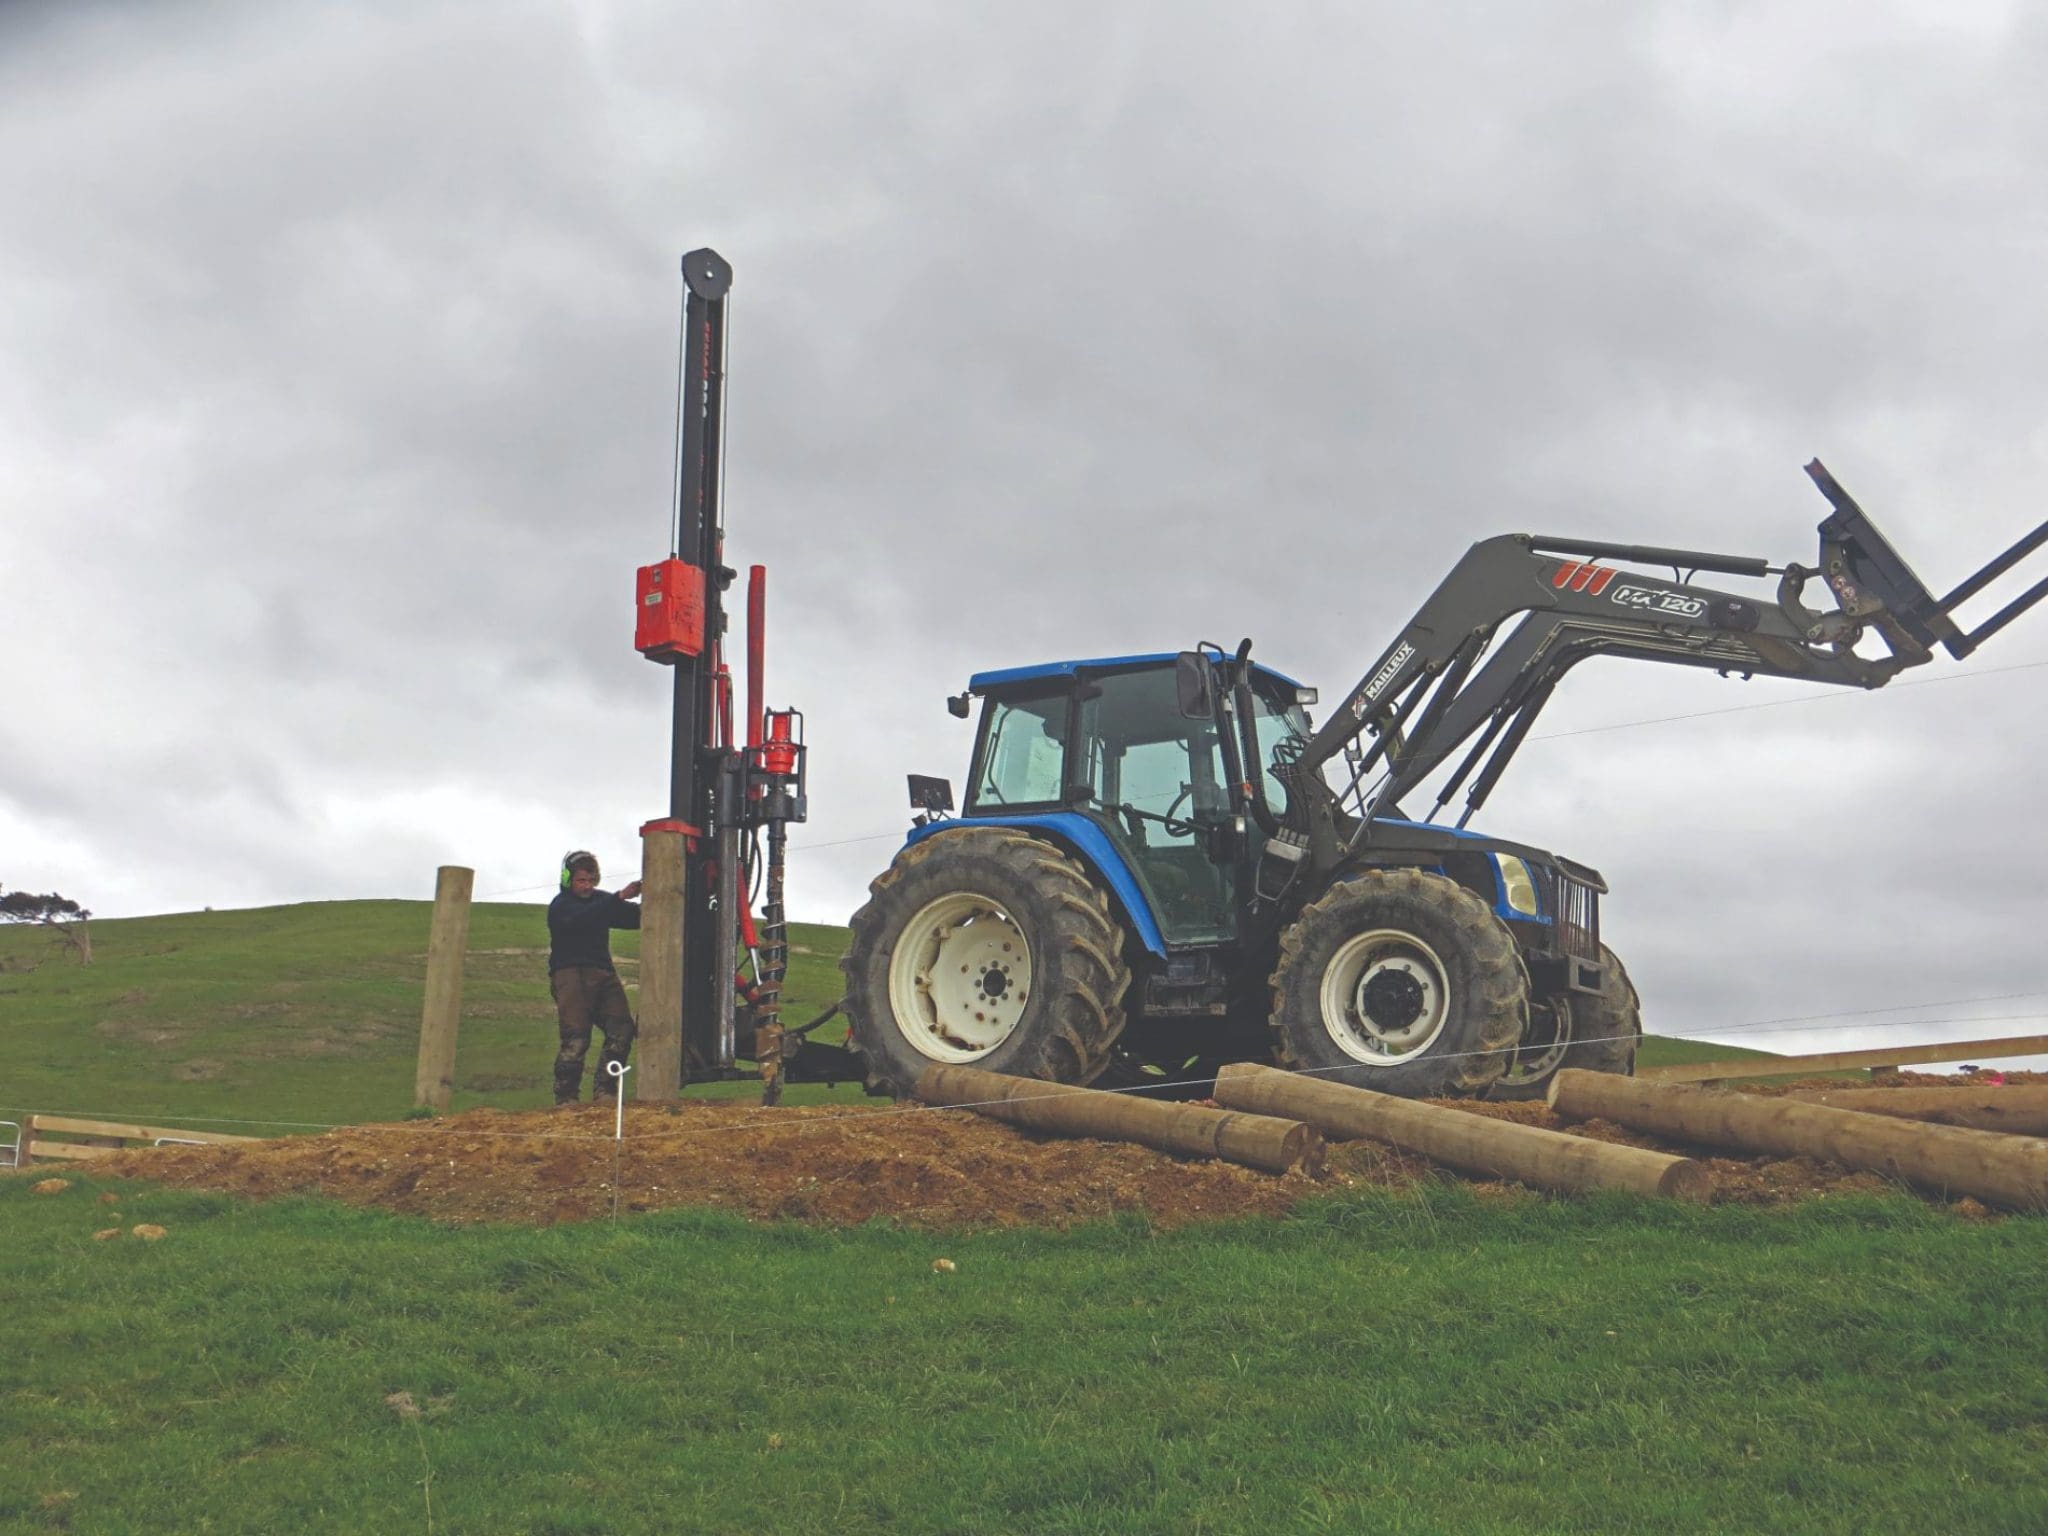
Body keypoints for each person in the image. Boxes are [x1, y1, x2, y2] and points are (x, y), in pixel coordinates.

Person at [546, 850, 643, 1106]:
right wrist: (619, 897)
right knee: (576, 1037)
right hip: (569, 974)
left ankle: (605, 1091)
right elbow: (583, 918)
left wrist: (659, 896)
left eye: (591, 881)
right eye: (581, 881)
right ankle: (566, 1098)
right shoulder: (561, 906)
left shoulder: (601, 901)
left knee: (622, 1028)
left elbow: (633, 916)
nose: (587, 887)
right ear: (568, 879)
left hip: (603, 973)